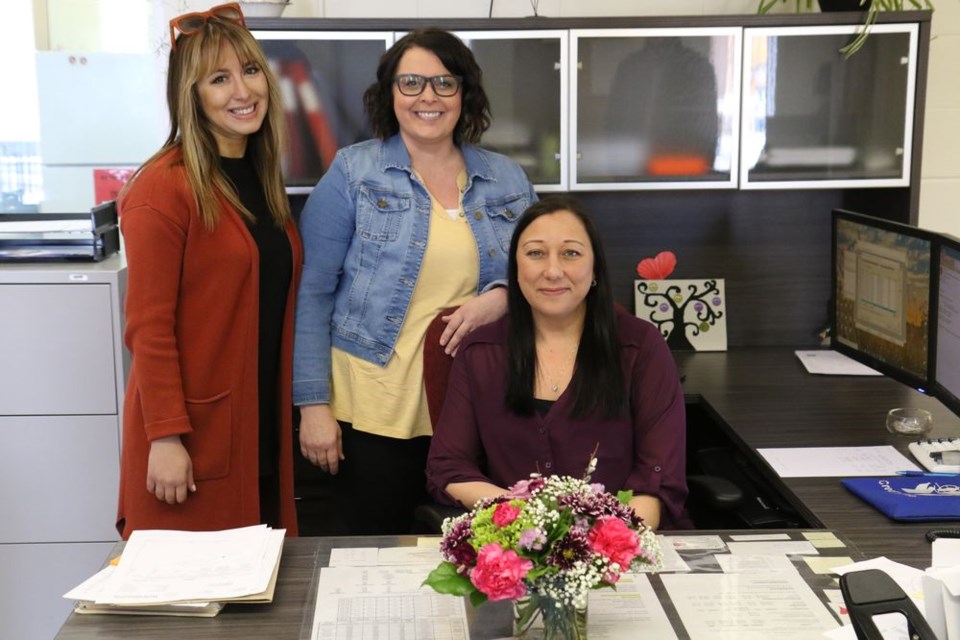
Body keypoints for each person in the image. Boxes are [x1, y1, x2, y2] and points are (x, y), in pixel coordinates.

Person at [294, 28, 537, 535]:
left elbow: (546, 271)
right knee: (373, 555)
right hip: (373, 407)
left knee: (477, 556)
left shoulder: (508, 178)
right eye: (411, 83)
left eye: (444, 83)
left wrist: (503, 297)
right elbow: (312, 293)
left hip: (473, 406)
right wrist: (313, 406)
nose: (428, 96)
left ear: (464, 93)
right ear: (390, 93)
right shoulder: (352, 173)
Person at [116, 2, 301, 539]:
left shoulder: (261, 179)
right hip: (193, 439)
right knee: (195, 607)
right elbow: (148, 328)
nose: (242, 92)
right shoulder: (161, 189)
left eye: (249, 71)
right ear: (191, 95)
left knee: (261, 600)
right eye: (218, 79)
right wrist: (166, 437)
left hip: (257, 425)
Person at [426, 195, 689, 530]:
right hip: (517, 549)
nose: (552, 271)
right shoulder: (481, 351)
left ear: (594, 269)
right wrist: (525, 519)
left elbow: (658, 479)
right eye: (536, 253)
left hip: (623, 545)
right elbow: (448, 467)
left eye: (571, 253)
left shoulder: (640, 346)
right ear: (516, 269)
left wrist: (604, 544)